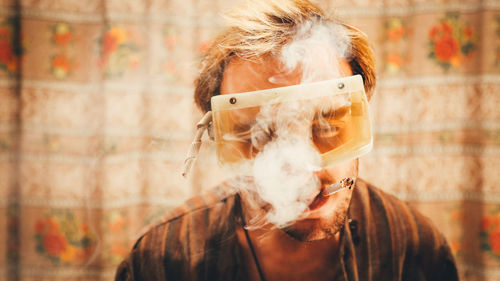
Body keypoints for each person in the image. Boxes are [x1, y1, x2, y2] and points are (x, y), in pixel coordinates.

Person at [115, 0, 459, 280]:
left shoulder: (414, 248)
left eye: (327, 125)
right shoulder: (162, 260)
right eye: (259, 134)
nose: (302, 169)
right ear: (221, 137)